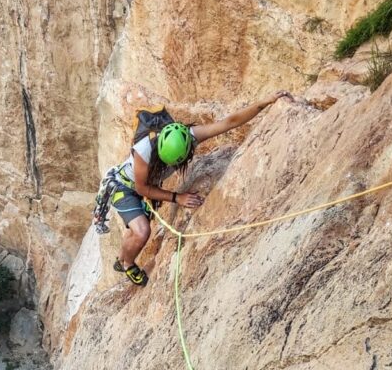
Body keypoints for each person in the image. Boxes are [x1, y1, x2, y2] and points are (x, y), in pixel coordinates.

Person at [111, 91, 294, 286]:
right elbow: (142, 189)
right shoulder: (144, 151)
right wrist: (176, 197)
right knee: (141, 232)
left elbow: (229, 122)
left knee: (134, 229)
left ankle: (121, 257)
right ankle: (128, 263)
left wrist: (264, 101)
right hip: (124, 187)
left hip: (145, 185)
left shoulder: (190, 136)